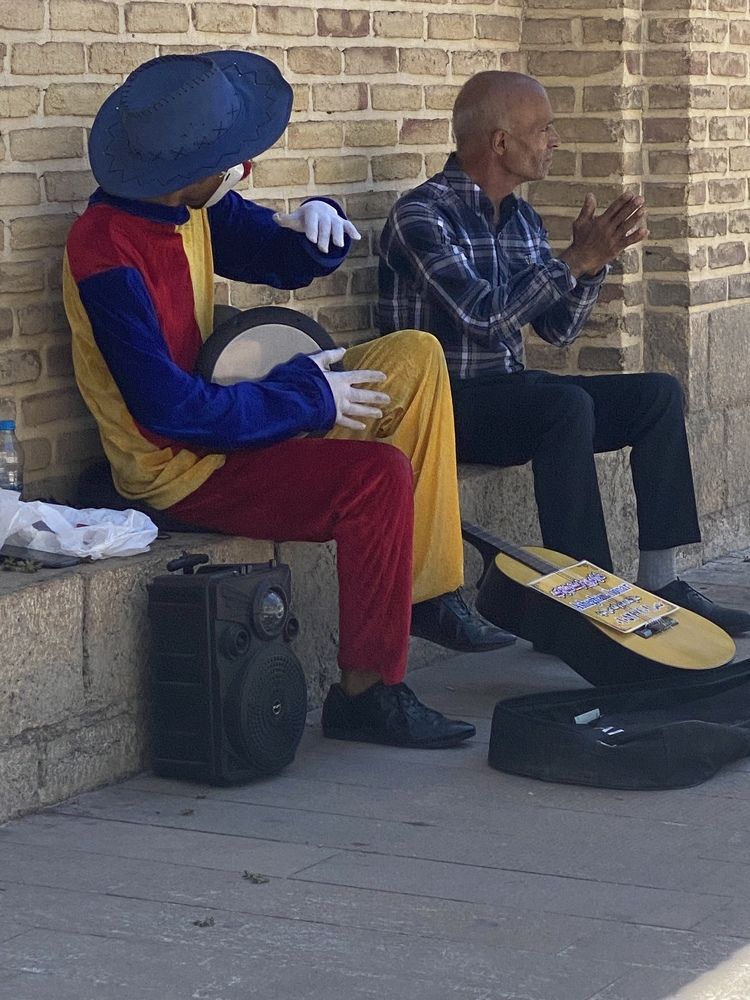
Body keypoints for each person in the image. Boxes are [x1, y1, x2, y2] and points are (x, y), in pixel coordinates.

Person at [63, 51, 516, 752]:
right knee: (376, 478)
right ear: (182, 171)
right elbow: (169, 411)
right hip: (182, 466)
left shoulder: (190, 203)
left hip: (241, 413)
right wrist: (306, 399)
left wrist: (317, 225)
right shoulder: (105, 251)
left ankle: (428, 595)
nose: (242, 172)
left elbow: (277, 256)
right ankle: (367, 694)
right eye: (228, 162)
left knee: (417, 357)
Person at [379, 70, 750, 637]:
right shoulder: (422, 216)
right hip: (445, 408)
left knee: (657, 394)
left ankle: (660, 582)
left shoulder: (521, 217)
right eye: (543, 130)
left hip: (509, 394)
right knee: (564, 406)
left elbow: (557, 329)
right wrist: (575, 261)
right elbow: (485, 319)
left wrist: (592, 265)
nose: (554, 141)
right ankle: (591, 604)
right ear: (500, 142)